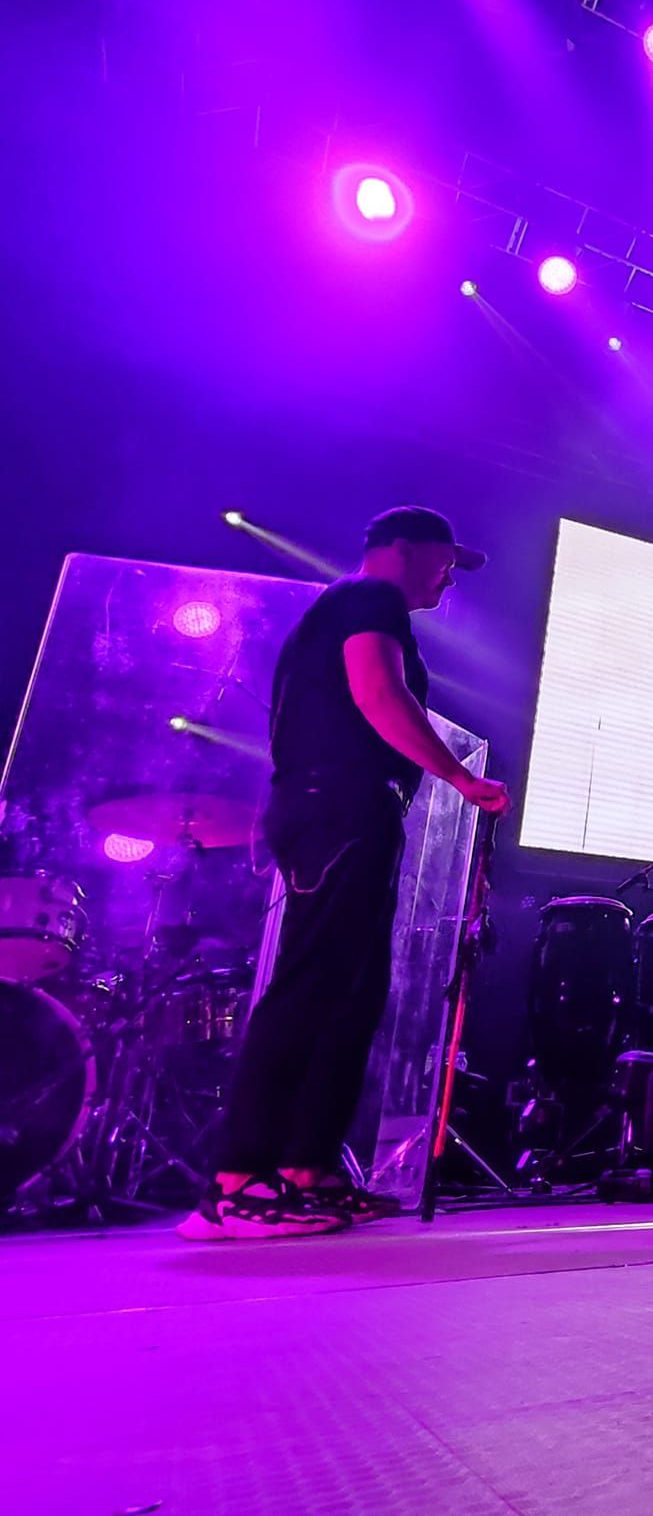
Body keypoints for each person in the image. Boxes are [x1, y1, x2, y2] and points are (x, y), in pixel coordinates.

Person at [181, 507, 510, 1241]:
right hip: (338, 808)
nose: (450, 575)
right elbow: (377, 691)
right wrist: (460, 778)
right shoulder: (369, 599)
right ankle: (237, 1183)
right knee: (310, 986)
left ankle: (306, 1170)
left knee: (349, 994)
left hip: (351, 810)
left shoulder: (359, 606)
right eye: (444, 558)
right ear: (401, 550)